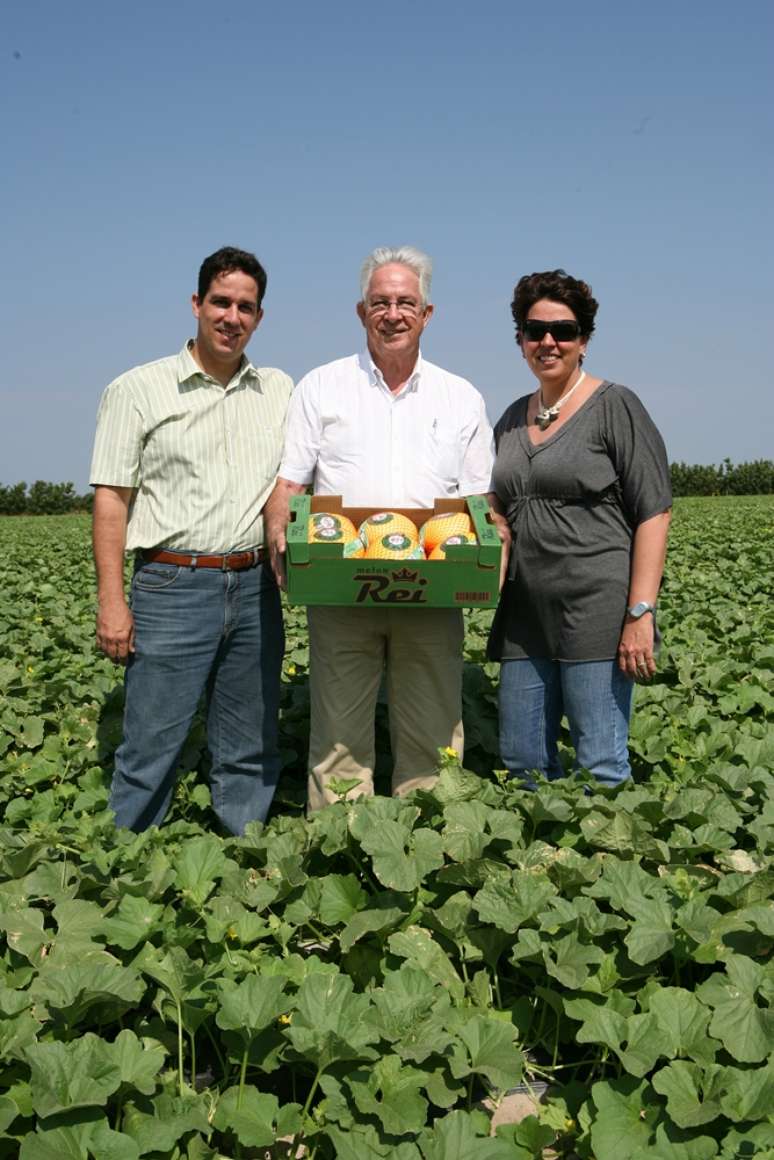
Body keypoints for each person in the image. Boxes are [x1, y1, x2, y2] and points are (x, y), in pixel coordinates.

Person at [264, 245, 495, 811]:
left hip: (432, 591)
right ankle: (337, 844)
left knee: (434, 731)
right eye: (381, 302)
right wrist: (279, 534)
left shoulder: (460, 396)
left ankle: (430, 840)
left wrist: (493, 543)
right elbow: (290, 486)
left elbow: (478, 502)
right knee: (338, 734)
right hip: (343, 590)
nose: (393, 313)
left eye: (406, 302)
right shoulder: (322, 387)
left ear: (428, 313)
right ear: (361, 310)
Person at [90, 246, 292, 834]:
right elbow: (112, 500)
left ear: (259, 316)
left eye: (246, 307)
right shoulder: (138, 389)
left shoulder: (279, 390)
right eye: (221, 302)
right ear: (197, 304)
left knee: (250, 742)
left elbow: (299, 477)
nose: (233, 317)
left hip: (255, 586)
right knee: (151, 743)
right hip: (172, 583)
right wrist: (112, 601)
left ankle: (240, 856)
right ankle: (124, 863)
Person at [488, 269, 671, 788]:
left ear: (583, 340)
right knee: (522, 761)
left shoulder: (615, 406)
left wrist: (640, 612)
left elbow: (654, 511)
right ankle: (537, 864)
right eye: (534, 330)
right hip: (525, 612)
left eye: (563, 331)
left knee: (600, 762)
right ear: (521, 340)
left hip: (597, 605)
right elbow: (495, 504)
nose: (548, 342)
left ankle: (603, 860)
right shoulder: (509, 419)